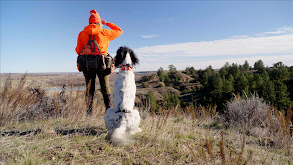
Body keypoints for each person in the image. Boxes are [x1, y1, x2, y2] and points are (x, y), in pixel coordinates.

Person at [75, 9, 123, 115]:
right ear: (99, 22)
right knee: (105, 88)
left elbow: (78, 51)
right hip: (103, 65)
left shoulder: (82, 34)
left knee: (89, 89)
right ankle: (109, 112)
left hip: (87, 65)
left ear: (89, 22)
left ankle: (89, 113)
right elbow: (119, 30)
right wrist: (107, 24)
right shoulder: (105, 32)